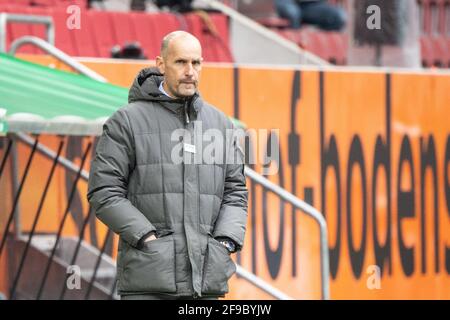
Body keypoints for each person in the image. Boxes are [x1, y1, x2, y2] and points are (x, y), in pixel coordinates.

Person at [87, 31, 248, 300]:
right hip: (149, 282)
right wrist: (147, 238)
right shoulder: (126, 121)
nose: (190, 72)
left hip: (206, 283)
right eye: (181, 62)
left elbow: (235, 193)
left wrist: (225, 242)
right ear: (161, 65)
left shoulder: (220, 123)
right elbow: (103, 191)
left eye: (196, 63)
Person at [275, 0, 346, 31]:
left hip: (313, 6)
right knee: (293, 14)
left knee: (339, 16)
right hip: (292, 4)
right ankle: (293, 45)